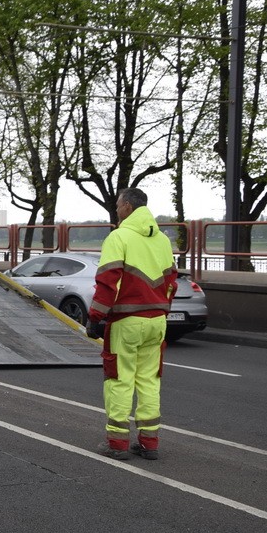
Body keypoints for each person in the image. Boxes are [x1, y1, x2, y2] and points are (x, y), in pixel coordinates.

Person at [88, 188, 177, 461]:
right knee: (149, 381)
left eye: (118, 205)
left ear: (127, 206)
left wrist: (95, 317)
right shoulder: (162, 240)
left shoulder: (119, 237)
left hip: (126, 321)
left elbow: (108, 281)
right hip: (157, 321)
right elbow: (171, 281)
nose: (116, 209)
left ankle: (117, 443)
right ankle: (150, 443)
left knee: (119, 380)